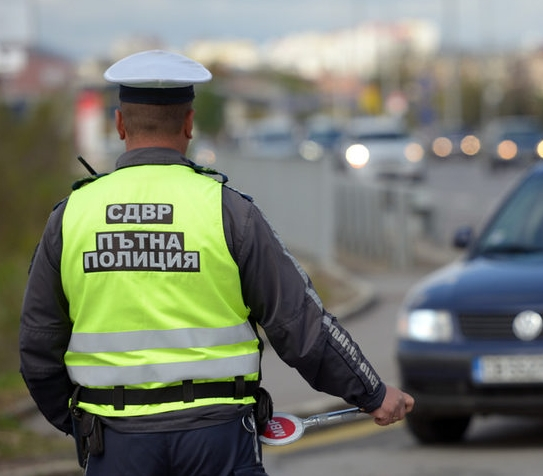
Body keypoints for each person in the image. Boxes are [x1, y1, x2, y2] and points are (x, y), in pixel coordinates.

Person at [18, 49, 414, 475]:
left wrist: (83, 425)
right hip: (218, 443)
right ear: (189, 124)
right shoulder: (229, 212)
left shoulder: (71, 217)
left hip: (115, 442)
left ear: (118, 124)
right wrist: (372, 393)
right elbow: (301, 325)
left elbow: (37, 348)